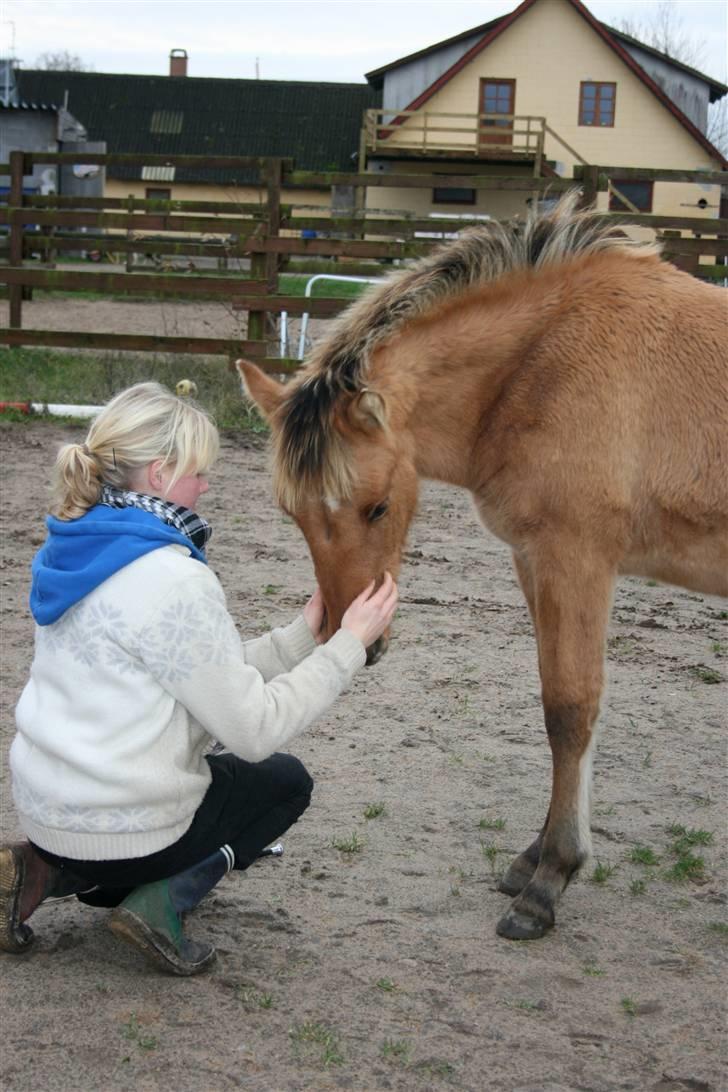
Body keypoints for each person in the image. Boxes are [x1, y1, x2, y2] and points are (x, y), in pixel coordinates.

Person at [0, 381, 398, 976]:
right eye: (199, 471)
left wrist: (300, 639)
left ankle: (42, 866)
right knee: (283, 782)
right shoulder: (172, 577)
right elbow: (254, 728)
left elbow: (187, 673)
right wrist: (347, 648)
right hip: (127, 827)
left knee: (120, 835)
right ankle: (159, 902)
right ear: (160, 474)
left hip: (45, 803)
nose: (207, 485)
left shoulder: (73, 551)